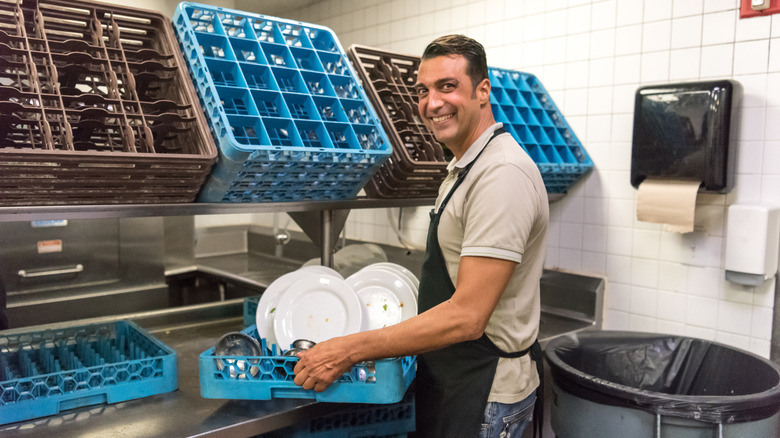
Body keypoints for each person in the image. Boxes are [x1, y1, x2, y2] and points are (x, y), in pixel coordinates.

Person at [294, 34, 549, 438]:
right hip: (456, 380)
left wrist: (348, 348)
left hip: (486, 395)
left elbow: (467, 318)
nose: (432, 103)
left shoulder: (501, 175)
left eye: (448, 86)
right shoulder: (466, 165)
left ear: (483, 91)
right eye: (423, 90)